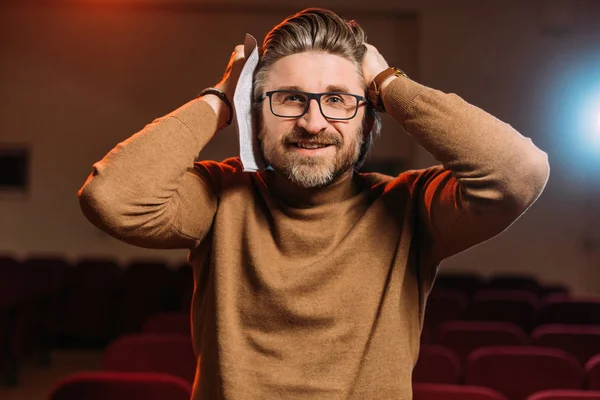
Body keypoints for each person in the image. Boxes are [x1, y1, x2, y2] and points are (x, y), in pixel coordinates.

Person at [78, 7, 549, 400]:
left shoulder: (411, 207)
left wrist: (388, 81)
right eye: (289, 99)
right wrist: (223, 96)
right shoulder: (219, 197)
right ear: (254, 116)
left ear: (368, 120)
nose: (312, 121)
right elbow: (111, 198)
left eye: (338, 100)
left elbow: (517, 172)